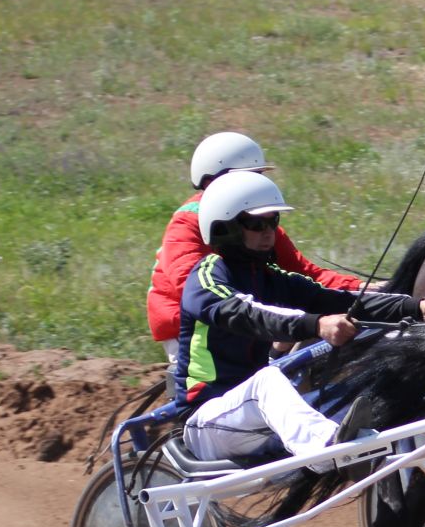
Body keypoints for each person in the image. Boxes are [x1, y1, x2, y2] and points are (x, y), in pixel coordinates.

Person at [173, 170, 425, 470]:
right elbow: (251, 314)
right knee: (266, 381)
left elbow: (340, 300)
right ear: (225, 226)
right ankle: (329, 451)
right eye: (256, 223)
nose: (269, 232)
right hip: (205, 422)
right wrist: (316, 325)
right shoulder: (205, 278)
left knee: (379, 362)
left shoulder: (269, 277)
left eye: (273, 221)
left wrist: (416, 306)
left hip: (255, 420)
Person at [148, 131, 366, 362]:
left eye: (259, 176)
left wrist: (363, 287)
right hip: (193, 325)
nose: (258, 186)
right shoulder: (186, 222)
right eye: (250, 177)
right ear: (211, 182)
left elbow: (306, 273)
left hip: (247, 312)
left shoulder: (260, 223)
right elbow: (196, 292)